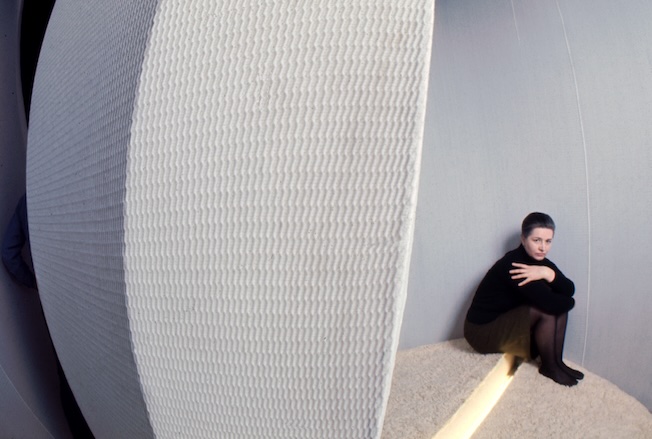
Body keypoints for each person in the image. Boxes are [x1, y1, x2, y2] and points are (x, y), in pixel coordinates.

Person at [2, 194, 94, 438]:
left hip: (51, 297)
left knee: (65, 371)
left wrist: (33, 282)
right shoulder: (64, 190)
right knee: (95, 359)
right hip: (83, 292)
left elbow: (8, 251)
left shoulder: (25, 200)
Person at [464, 212, 583, 386]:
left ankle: (556, 362)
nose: (543, 247)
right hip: (481, 331)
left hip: (505, 319)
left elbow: (569, 289)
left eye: (548, 241)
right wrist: (568, 301)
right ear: (523, 239)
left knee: (555, 307)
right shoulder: (515, 266)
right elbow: (554, 303)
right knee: (548, 310)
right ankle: (549, 367)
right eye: (537, 240)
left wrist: (547, 273)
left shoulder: (541, 262)